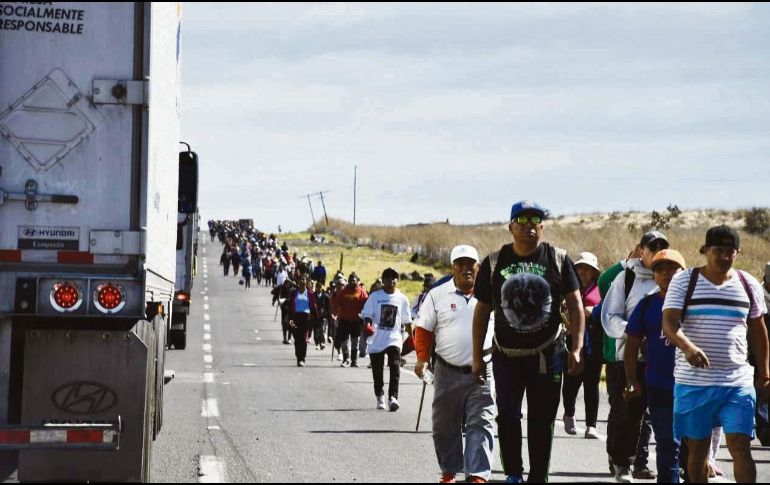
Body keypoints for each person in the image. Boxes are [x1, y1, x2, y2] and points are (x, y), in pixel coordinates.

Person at [471, 201, 585, 483]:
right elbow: (482, 309)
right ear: (511, 227)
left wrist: (577, 347)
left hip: (548, 355)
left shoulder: (558, 258)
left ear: (542, 227)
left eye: (536, 219)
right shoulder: (495, 261)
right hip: (506, 355)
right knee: (507, 416)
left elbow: (576, 304)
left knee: (542, 420)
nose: (529, 225)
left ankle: (538, 477)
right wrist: (476, 356)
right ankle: (513, 473)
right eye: (522, 220)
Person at [663, 225, 769, 483]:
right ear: (705, 250)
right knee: (698, 451)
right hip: (693, 383)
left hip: (736, 382)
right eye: (717, 250)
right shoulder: (684, 281)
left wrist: (765, 373)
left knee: (741, 447)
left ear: (737, 253)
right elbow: (668, 324)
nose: (723, 257)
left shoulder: (748, 284)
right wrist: (688, 347)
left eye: (729, 251)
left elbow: (758, 330)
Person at [415, 245, 496, 484]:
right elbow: (424, 329)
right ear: (452, 268)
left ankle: (477, 476)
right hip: (447, 370)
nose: (465, 269)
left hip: (482, 369)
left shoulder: (490, 294)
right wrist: (421, 358)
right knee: (444, 426)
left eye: (470, 264)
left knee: (480, 422)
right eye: (459, 264)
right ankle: (449, 473)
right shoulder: (437, 295)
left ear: (478, 267)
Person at [602, 231, 669, 482]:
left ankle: (643, 463)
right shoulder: (626, 278)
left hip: (662, 360)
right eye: (653, 247)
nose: (657, 251)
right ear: (641, 250)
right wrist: (633, 333)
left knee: (656, 415)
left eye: (663, 246)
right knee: (629, 413)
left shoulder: (673, 279)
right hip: (630, 358)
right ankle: (621, 463)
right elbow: (609, 316)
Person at [624, 249, 686, 484]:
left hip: (694, 386)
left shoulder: (694, 303)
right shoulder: (647, 304)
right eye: (660, 269)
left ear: (684, 272)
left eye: (672, 268)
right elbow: (631, 344)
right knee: (667, 447)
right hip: (659, 386)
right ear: (653, 276)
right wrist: (631, 379)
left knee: (693, 448)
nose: (666, 274)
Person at [561, 252, 603, 439]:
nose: (583, 272)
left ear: (594, 272)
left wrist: (592, 311)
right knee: (571, 382)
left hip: (593, 341)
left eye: (588, 269)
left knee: (591, 384)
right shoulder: (570, 288)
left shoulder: (601, 289)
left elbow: (607, 308)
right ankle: (569, 413)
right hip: (571, 339)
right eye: (580, 268)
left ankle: (591, 425)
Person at [363, 268, 412, 411]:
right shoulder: (374, 297)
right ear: (383, 280)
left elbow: (407, 320)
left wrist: (413, 339)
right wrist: (367, 326)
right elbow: (367, 314)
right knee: (377, 371)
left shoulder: (402, 298)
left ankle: (393, 398)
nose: (392, 281)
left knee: (395, 366)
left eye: (394, 278)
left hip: (394, 338)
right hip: (377, 338)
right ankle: (380, 396)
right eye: (388, 278)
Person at [333, 273, 368, 367]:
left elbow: (366, 304)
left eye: (354, 280)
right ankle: (345, 359)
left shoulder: (361, 292)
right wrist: (337, 316)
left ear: (357, 281)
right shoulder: (343, 292)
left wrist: (364, 316)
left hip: (356, 320)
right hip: (344, 319)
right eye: (350, 280)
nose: (352, 282)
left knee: (355, 341)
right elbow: (338, 305)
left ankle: (354, 360)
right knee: (344, 341)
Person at [288, 276, 319, 367]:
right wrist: (289, 318)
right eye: (300, 279)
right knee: (297, 339)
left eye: (304, 279)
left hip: (306, 318)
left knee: (304, 338)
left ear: (306, 281)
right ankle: (298, 357)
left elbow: (313, 306)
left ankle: (302, 358)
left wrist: (316, 318)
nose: (302, 281)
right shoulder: (294, 293)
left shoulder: (310, 293)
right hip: (295, 318)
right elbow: (290, 306)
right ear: (298, 281)